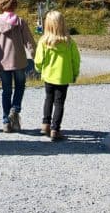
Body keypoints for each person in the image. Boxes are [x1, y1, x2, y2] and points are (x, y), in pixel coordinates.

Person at [0, 0, 36, 133]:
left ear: (1, 6)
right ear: (14, 5)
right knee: (20, 87)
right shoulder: (20, 21)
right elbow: (28, 41)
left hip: (3, 63)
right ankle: (15, 109)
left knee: (6, 91)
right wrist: (35, 56)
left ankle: (6, 122)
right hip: (19, 61)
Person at [34, 10, 81, 141]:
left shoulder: (44, 41)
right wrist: (75, 73)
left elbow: (38, 60)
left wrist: (39, 69)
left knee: (48, 99)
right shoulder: (69, 42)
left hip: (48, 76)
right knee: (59, 103)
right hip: (63, 77)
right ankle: (55, 129)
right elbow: (76, 60)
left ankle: (45, 124)